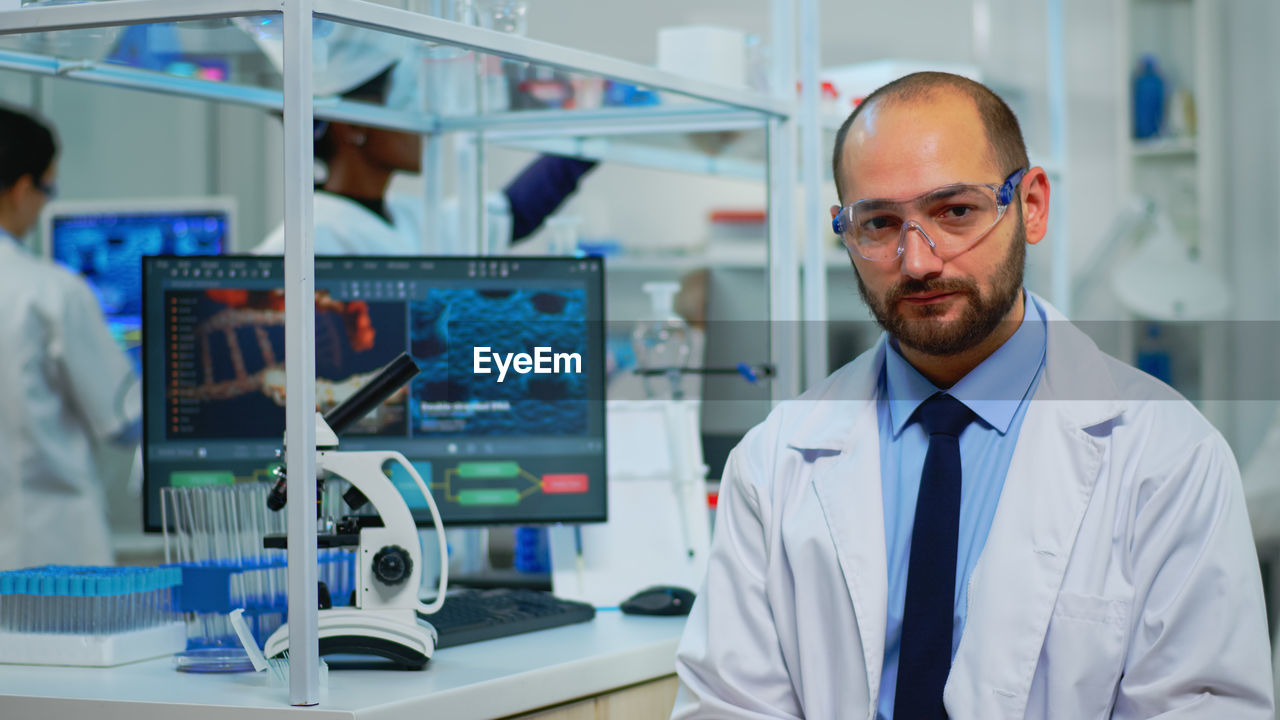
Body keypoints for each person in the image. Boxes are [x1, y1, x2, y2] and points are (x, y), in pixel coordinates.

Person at [671, 73, 1273, 719]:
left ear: (1031, 206)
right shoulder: (774, 460)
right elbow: (728, 708)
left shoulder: (1168, 456)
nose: (919, 262)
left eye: (955, 212)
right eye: (879, 222)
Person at [251, 53, 595, 255]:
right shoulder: (306, 242)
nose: (423, 125)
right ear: (353, 126)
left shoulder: (409, 216)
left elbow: (516, 211)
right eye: (406, 106)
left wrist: (591, 127)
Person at [0, 105, 141, 571]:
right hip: (43, 554)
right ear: (23, 188)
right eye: (47, 189)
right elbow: (124, 418)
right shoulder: (48, 292)